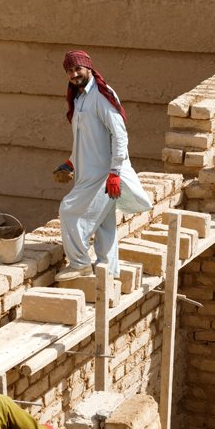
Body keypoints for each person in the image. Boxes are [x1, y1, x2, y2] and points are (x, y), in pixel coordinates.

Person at [53, 50, 153, 282]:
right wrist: (71, 163)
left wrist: (115, 172)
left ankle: (79, 263)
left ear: (89, 68)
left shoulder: (101, 96)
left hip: (103, 175)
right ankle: (108, 273)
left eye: (78, 69)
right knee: (105, 224)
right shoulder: (79, 99)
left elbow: (119, 135)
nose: (74, 74)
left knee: (68, 210)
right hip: (88, 172)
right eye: (69, 71)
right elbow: (86, 140)